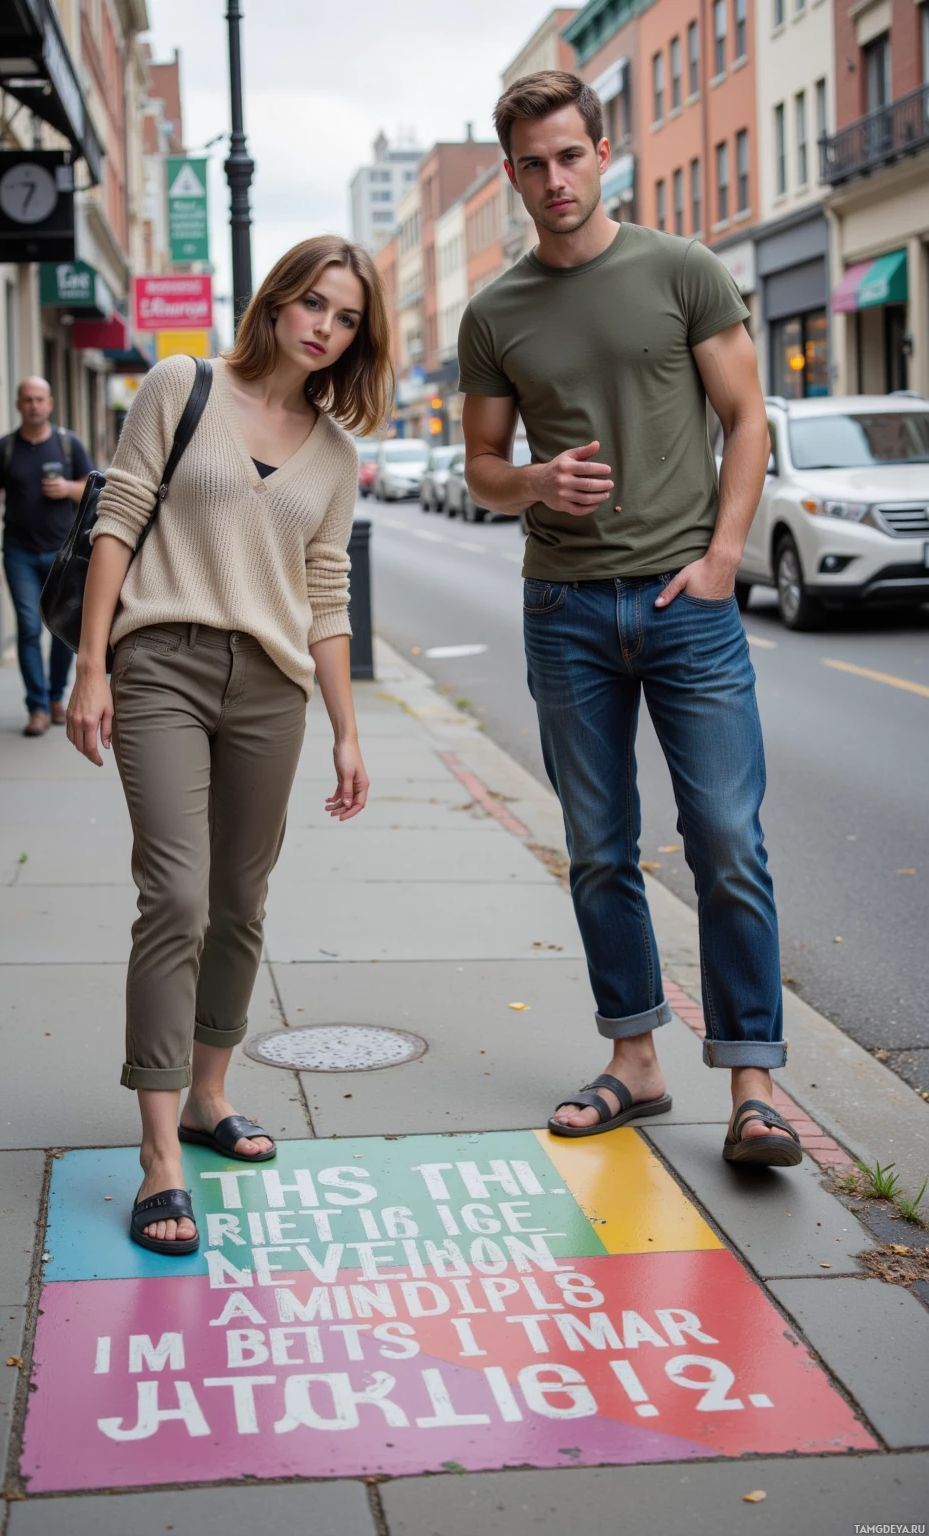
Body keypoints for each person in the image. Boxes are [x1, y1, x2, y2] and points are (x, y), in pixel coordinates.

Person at [458, 72, 801, 1169]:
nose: (552, 179)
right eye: (530, 163)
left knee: (725, 843)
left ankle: (752, 1087)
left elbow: (746, 421)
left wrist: (717, 560)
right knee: (598, 851)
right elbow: (478, 470)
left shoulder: (681, 270)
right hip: (562, 608)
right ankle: (636, 1061)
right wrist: (532, 486)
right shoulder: (494, 311)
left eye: (568, 155)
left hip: (683, 607)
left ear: (600, 151)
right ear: (510, 174)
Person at [66, 235, 393, 1255]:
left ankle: (210, 1095)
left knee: (242, 903)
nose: (322, 327)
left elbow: (327, 596)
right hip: (158, 660)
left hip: (271, 690)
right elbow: (117, 518)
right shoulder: (182, 383)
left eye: (344, 318)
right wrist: (91, 664)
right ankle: (160, 1154)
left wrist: (346, 730)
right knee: (176, 894)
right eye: (311, 303)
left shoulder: (335, 455)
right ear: (276, 301)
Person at [0, 377, 93, 735]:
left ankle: (57, 697)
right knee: (29, 629)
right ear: (18, 405)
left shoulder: (68, 444)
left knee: (62, 631)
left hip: (63, 556)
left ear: (51, 403)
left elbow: (94, 490)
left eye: (40, 399)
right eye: (28, 399)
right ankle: (38, 707)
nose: (34, 405)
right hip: (19, 554)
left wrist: (68, 488)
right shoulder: (4, 450)